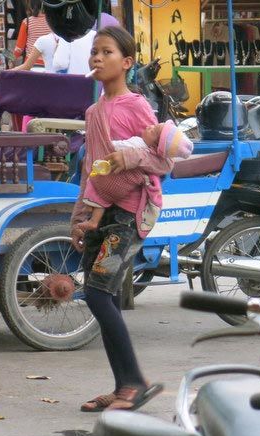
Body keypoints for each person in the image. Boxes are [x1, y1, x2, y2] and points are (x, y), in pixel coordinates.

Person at [71, 25, 179, 412]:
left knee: (98, 294)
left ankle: (133, 382)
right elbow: (91, 169)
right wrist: (79, 217)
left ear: (127, 62)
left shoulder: (136, 106)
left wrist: (128, 157)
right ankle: (124, 387)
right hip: (101, 211)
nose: (96, 58)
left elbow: (164, 159)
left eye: (106, 52)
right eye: (94, 52)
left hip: (132, 210)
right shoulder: (93, 111)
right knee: (107, 297)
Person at [77, 120, 193, 233]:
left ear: (156, 146)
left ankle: (91, 213)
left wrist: (104, 144)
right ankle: (93, 216)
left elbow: (117, 146)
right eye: (154, 125)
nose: (149, 126)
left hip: (119, 195)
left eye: (153, 131)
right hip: (120, 193)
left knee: (95, 183)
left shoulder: (138, 144)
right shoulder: (152, 153)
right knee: (101, 194)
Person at [13, 0, 51, 67]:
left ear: (32, 6)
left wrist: (12, 60)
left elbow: (19, 49)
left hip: (30, 64)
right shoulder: (52, 23)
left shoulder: (27, 22)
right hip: (49, 63)